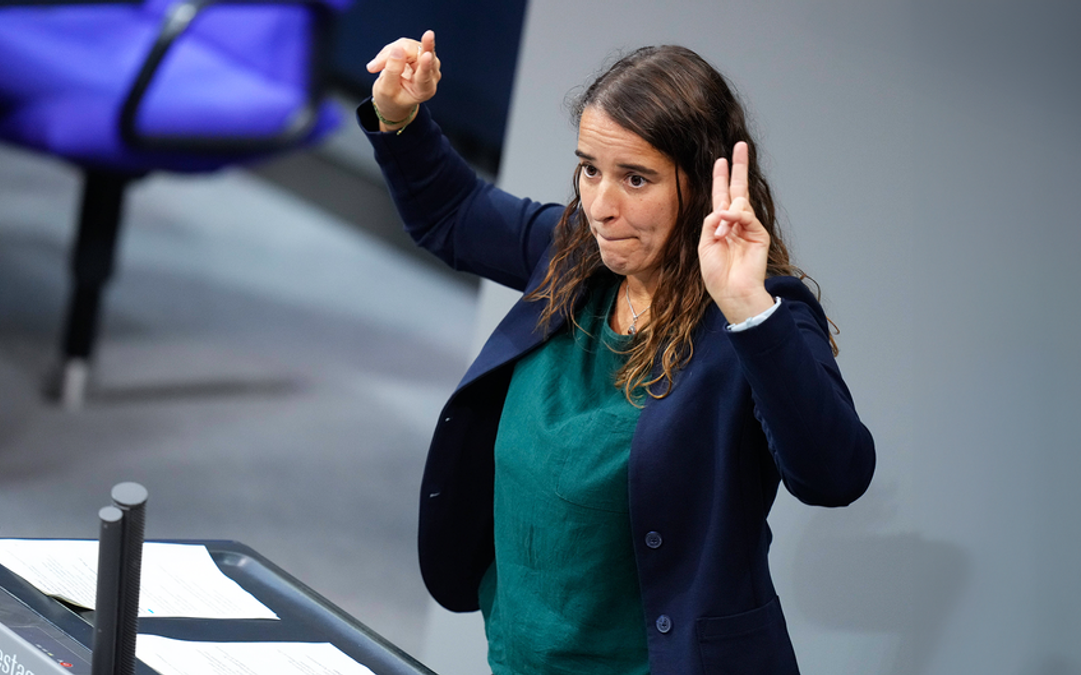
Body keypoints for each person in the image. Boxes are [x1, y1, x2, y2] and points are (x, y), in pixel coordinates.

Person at [359, 30, 876, 675]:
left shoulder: (762, 315)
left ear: (703, 185)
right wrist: (399, 115)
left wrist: (748, 308)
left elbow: (836, 475)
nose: (601, 207)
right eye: (589, 169)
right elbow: (456, 214)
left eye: (635, 178)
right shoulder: (573, 252)